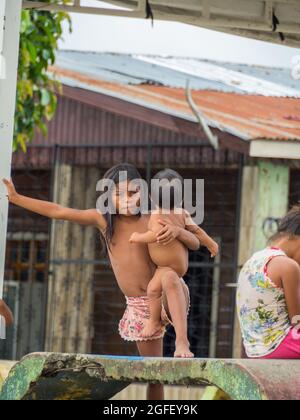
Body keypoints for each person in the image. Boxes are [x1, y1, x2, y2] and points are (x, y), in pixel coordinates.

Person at [2, 163, 201, 400]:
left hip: (168, 293)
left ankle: (182, 342)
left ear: (144, 193)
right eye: (119, 195)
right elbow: (59, 211)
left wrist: (179, 233)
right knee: (153, 372)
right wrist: (16, 198)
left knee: (169, 277)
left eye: (133, 192)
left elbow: (196, 240)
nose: (127, 200)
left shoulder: (155, 217)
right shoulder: (105, 221)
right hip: (139, 307)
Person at [130, 169, 218, 358]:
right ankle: (155, 321)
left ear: (153, 197)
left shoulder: (156, 215)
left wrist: (138, 237)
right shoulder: (183, 213)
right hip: (176, 268)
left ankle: (157, 323)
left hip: (166, 268)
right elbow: (198, 232)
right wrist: (211, 244)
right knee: (154, 288)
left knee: (153, 290)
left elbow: (155, 235)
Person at [237, 206, 300, 359]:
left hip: (254, 351)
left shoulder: (253, 261)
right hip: (279, 347)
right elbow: (297, 320)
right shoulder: (288, 266)